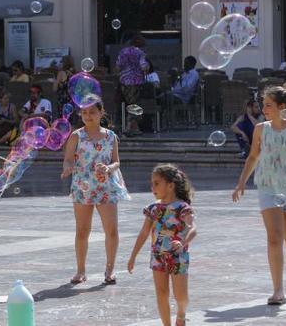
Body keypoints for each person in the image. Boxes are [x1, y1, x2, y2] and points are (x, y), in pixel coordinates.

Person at [231, 83, 286, 305]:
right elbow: (253, 157)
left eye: (268, 105)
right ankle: (277, 289)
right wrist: (241, 184)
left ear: (282, 106)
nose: (263, 108)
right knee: (274, 237)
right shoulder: (260, 129)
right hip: (268, 187)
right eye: (263, 104)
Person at [60, 99, 130, 286]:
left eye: (92, 112)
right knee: (82, 230)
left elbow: (117, 162)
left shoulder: (110, 136)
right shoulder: (76, 136)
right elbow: (68, 159)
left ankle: (110, 269)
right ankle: (81, 270)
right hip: (83, 186)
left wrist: (108, 168)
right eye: (84, 113)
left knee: (112, 230)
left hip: (106, 186)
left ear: (101, 113)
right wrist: (68, 168)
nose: (88, 116)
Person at [128, 164, 197, 326]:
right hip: (158, 255)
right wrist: (133, 256)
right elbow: (144, 233)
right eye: (152, 183)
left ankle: (181, 315)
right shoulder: (153, 209)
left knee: (180, 295)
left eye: (157, 183)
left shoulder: (182, 208)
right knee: (161, 292)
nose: (152, 187)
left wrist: (183, 241)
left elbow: (193, 228)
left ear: (171, 186)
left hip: (178, 255)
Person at [116, 34, 148, 136]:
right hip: (136, 81)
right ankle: (129, 127)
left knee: (130, 103)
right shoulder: (140, 53)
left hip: (124, 81)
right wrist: (146, 68)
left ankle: (134, 127)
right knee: (134, 104)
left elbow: (118, 66)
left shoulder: (123, 52)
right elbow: (143, 67)